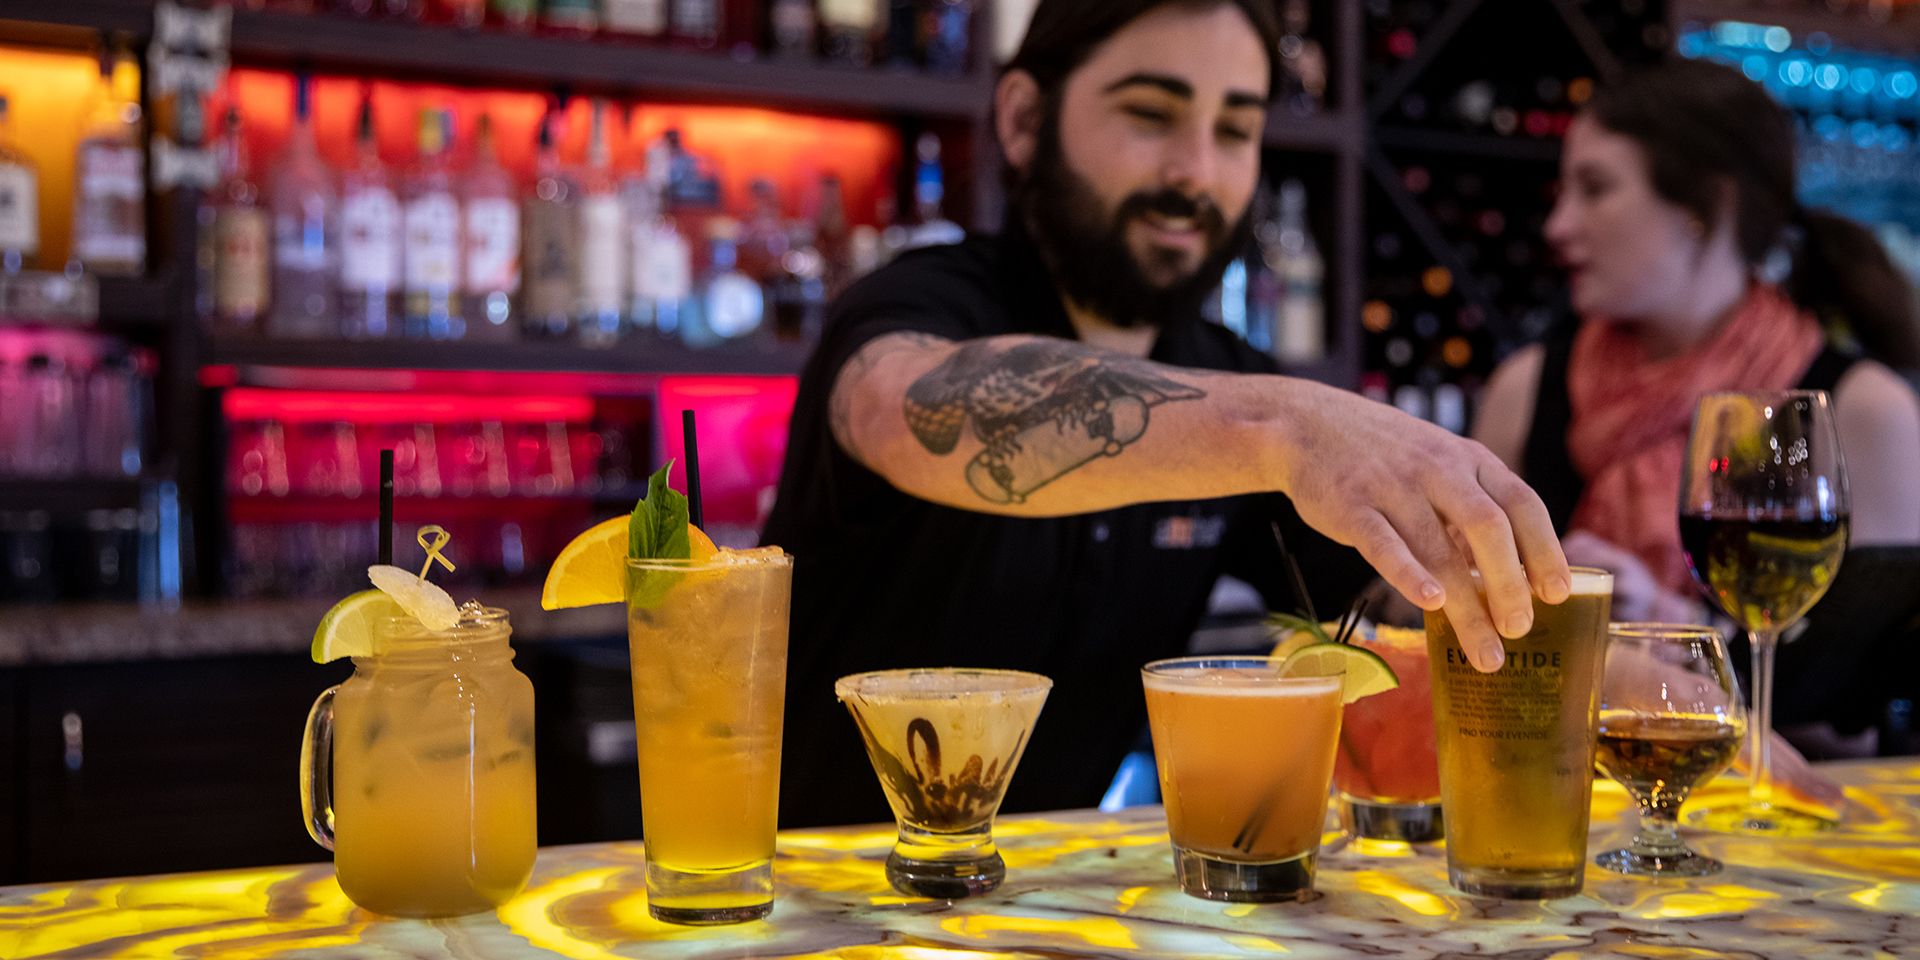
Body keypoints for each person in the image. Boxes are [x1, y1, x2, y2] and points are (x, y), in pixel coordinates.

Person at [762, 0, 1570, 828]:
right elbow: (906, 411)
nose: (1196, 171)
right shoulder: (916, 303)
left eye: (1235, 129)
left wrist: (1553, 619)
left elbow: (1391, 589)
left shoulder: (1227, 372)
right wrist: (1283, 429)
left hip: (1046, 911)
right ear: (1022, 118)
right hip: (804, 903)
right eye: (1151, 114)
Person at [1474, 59, 1920, 763]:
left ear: (1703, 207)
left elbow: (1862, 712)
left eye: (1595, 189)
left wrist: (1675, 631)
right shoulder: (1523, 390)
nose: (1558, 224)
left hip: (1789, 839)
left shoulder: (1865, 413)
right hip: (1563, 813)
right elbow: (1469, 653)